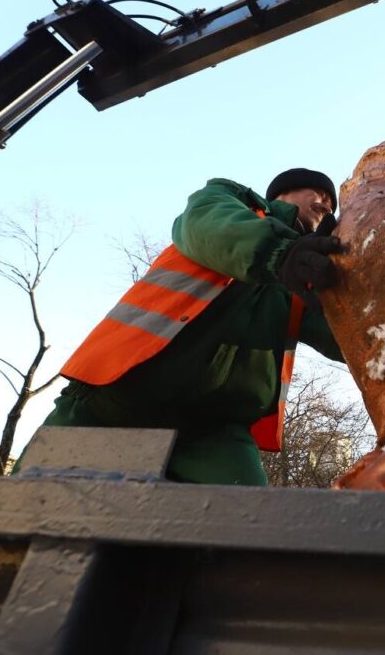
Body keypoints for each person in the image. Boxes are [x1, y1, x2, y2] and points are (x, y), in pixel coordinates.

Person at [26, 168, 345, 485]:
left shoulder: (306, 281)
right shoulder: (232, 201)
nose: (326, 206)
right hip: (117, 393)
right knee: (29, 508)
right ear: (283, 194)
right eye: (318, 194)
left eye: (331, 204)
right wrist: (281, 252)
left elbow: (352, 338)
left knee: (247, 524)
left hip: (216, 430)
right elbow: (205, 221)